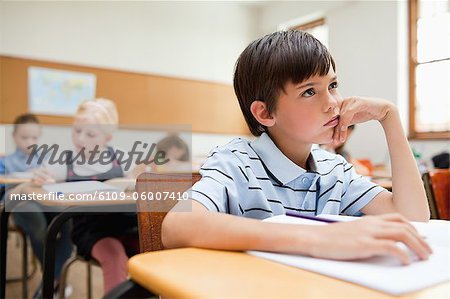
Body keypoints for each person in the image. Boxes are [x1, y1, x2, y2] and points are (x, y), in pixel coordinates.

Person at [162, 30, 431, 265]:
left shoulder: (335, 169)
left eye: (333, 85)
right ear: (265, 113)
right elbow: (177, 226)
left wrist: (389, 117)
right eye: (309, 92)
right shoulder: (236, 163)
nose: (333, 103)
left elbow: (413, 218)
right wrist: (319, 237)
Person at [33, 98, 139, 294]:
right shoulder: (62, 162)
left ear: (107, 138)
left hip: (129, 226)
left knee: (160, 247)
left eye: (90, 134)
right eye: (76, 130)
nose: (81, 139)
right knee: (114, 257)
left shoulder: (122, 159)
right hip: (91, 231)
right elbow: (37, 183)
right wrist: (40, 178)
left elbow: (136, 186)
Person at [0, 114, 73, 298]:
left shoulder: (47, 159)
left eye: (34, 138)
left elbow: (59, 179)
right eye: (24, 138)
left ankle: (52, 281)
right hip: (22, 204)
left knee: (68, 219)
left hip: (47, 199)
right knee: (38, 223)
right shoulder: (5, 162)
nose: (29, 142)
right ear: (14, 136)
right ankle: (55, 281)